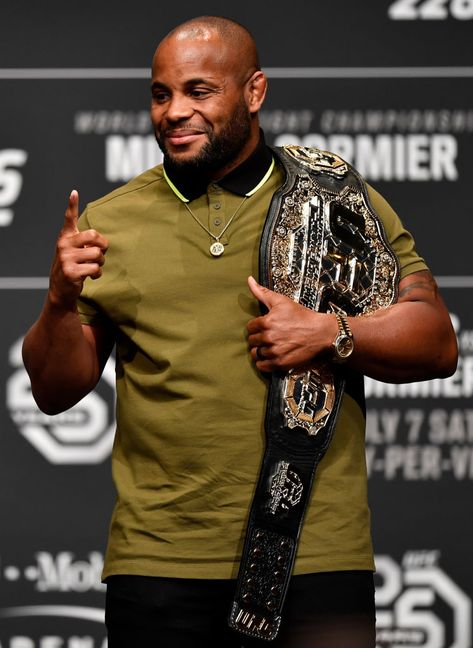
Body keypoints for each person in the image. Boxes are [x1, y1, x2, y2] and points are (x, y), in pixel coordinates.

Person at [22, 15, 457, 648]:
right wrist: (60, 301)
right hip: (160, 563)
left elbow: (437, 342)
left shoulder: (332, 199)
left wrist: (330, 333)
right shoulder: (109, 221)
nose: (174, 112)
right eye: (160, 93)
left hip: (315, 554)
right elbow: (55, 390)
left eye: (199, 92)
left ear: (254, 93)